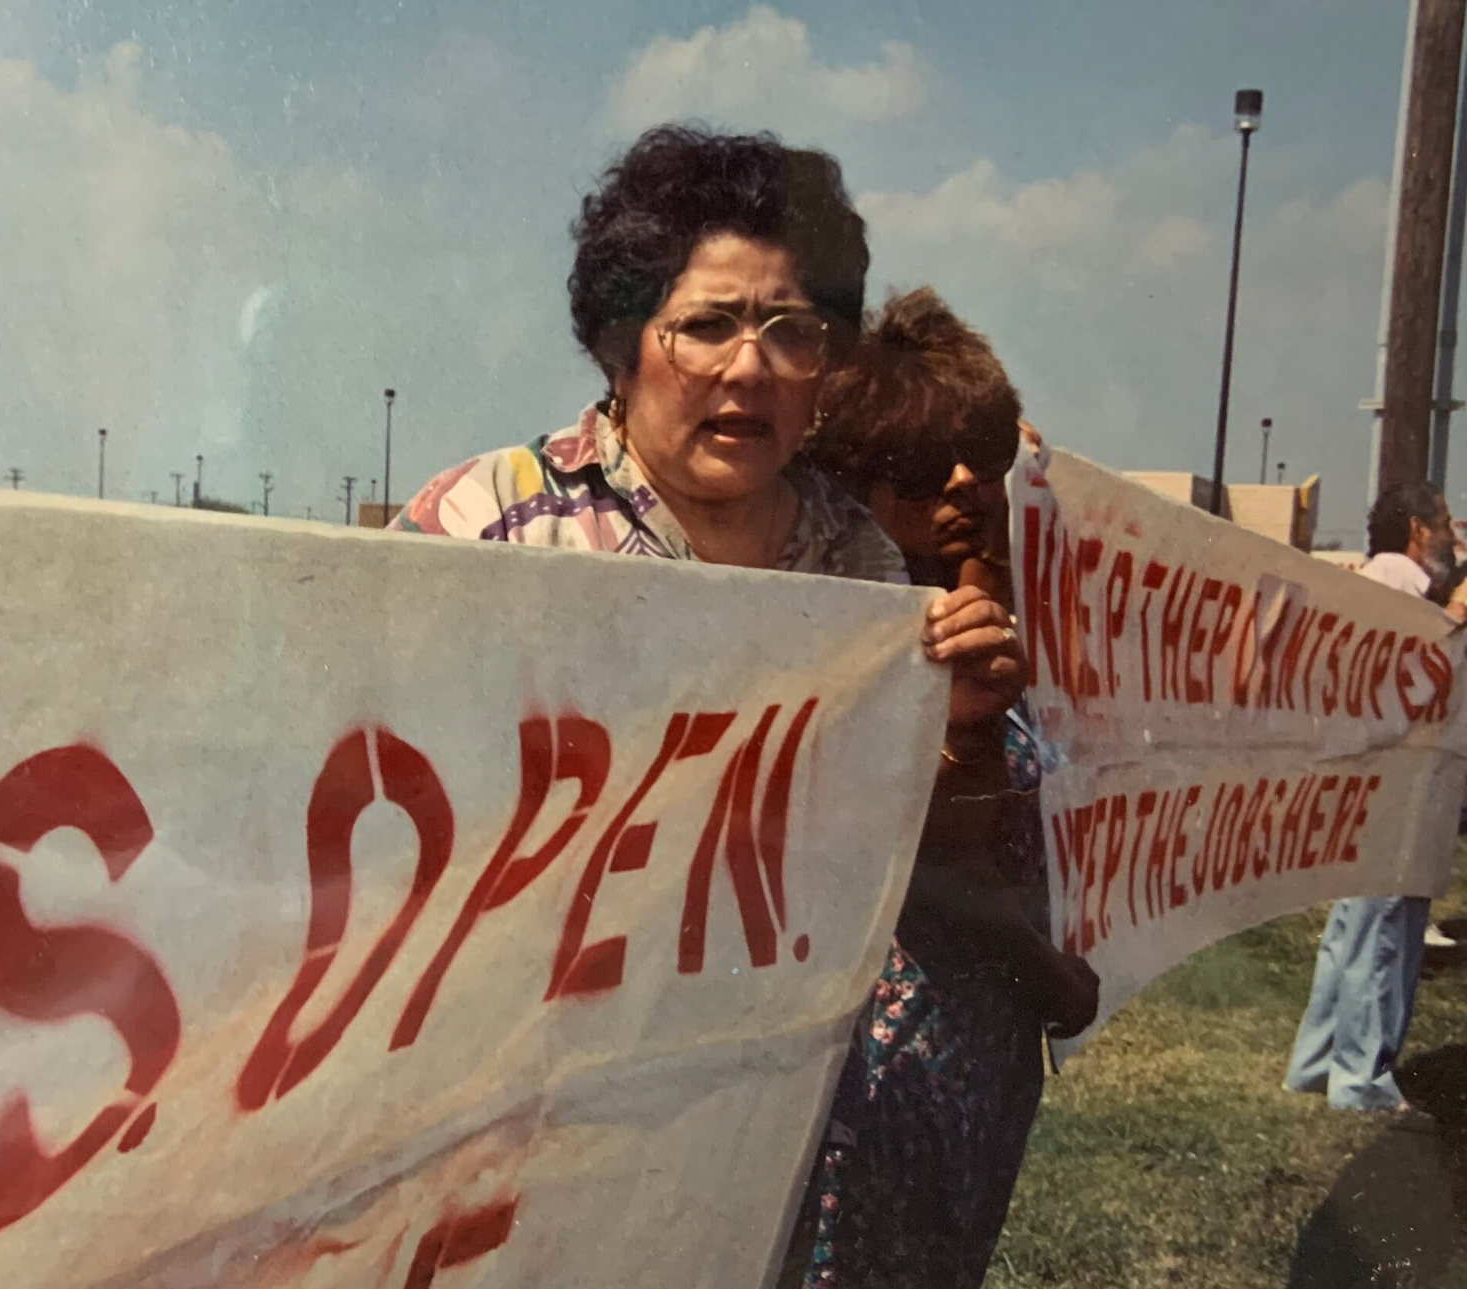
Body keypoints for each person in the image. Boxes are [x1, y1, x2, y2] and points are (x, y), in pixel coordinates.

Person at [392, 125, 1022, 728]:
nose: (750, 368)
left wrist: (957, 730)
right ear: (619, 353)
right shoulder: (484, 524)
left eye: (792, 333)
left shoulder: (861, 562)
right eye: (706, 327)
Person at [778, 288, 1098, 1289]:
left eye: (984, 458)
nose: (963, 481)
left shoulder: (984, 595)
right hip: (890, 1072)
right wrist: (1046, 974)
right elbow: (920, 866)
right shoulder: (859, 627)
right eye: (919, 469)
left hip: (982, 1051)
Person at [1284, 482, 1461, 1111]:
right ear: (1418, 529)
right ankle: (1361, 1081)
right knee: (1385, 930)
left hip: (1365, 772)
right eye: (1443, 524)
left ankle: (1318, 1062)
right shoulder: (1402, 590)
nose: (1451, 537)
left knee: (1355, 926)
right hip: (1393, 775)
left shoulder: (1370, 583)